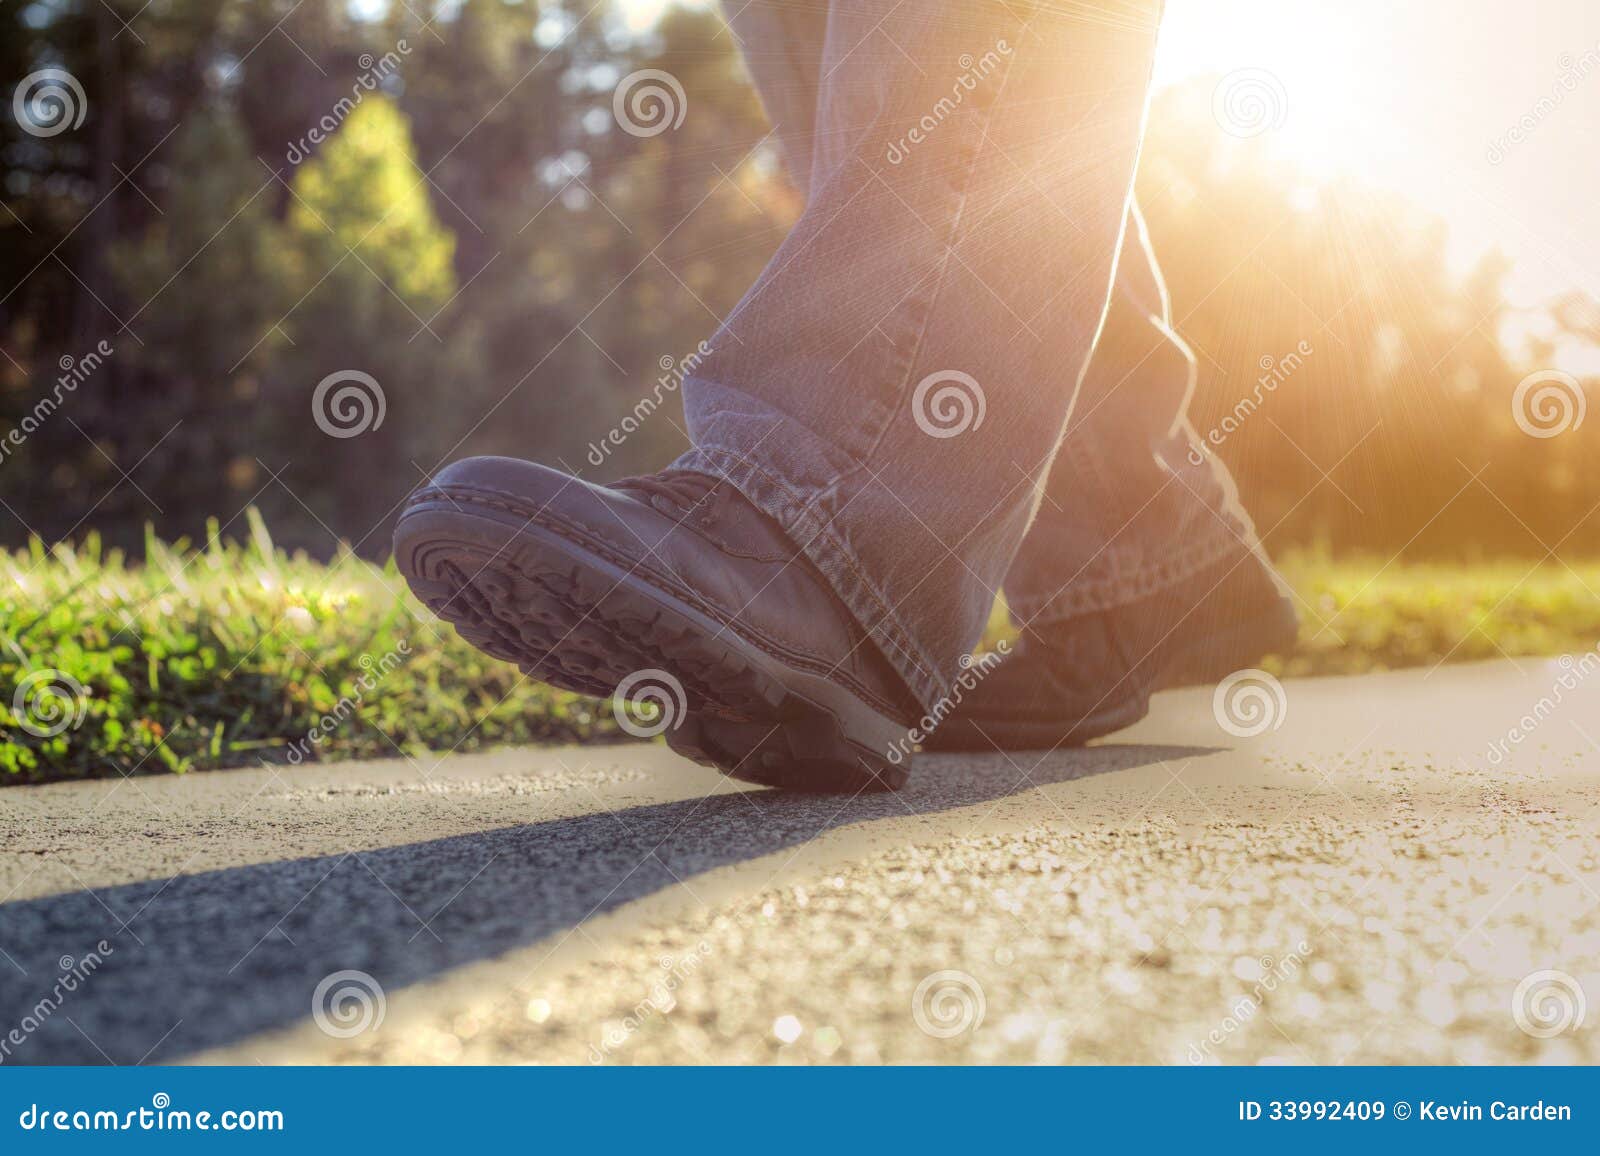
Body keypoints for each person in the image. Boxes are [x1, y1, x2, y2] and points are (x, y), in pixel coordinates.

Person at [395, 0, 1296, 791]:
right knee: (864, 55)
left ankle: (838, 531)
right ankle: (1136, 543)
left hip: (840, 508)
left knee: (970, 47)